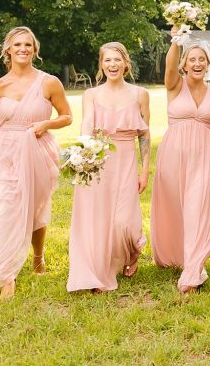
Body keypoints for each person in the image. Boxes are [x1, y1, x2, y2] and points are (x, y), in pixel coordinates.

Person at [0, 26, 72, 298]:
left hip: (37, 148)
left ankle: (38, 256)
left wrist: (47, 122)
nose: (23, 49)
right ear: (8, 50)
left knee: (35, 205)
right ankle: (7, 274)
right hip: (2, 151)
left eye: (28, 45)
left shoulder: (49, 82)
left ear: (35, 50)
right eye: (17, 45)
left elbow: (67, 116)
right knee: (4, 204)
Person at [151, 34, 210, 293]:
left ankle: (193, 270)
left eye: (202, 59)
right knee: (178, 208)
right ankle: (182, 256)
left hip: (205, 155)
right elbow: (169, 65)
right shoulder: (175, 85)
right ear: (185, 65)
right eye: (191, 59)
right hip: (174, 155)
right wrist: (177, 40)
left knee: (199, 207)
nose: (196, 63)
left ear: (208, 64)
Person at [67, 42, 150, 293]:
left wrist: (145, 170)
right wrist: (83, 155)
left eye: (117, 60)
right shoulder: (91, 95)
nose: (112, 65)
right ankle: (99, 272)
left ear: (126, 63)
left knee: (124, 222)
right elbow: (86, 126)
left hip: (126, 161)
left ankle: (131, 253)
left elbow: (144, 135)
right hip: (98, 162)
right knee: (98, 221)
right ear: (101, 65)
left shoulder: (140, 94)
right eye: (107, 61)